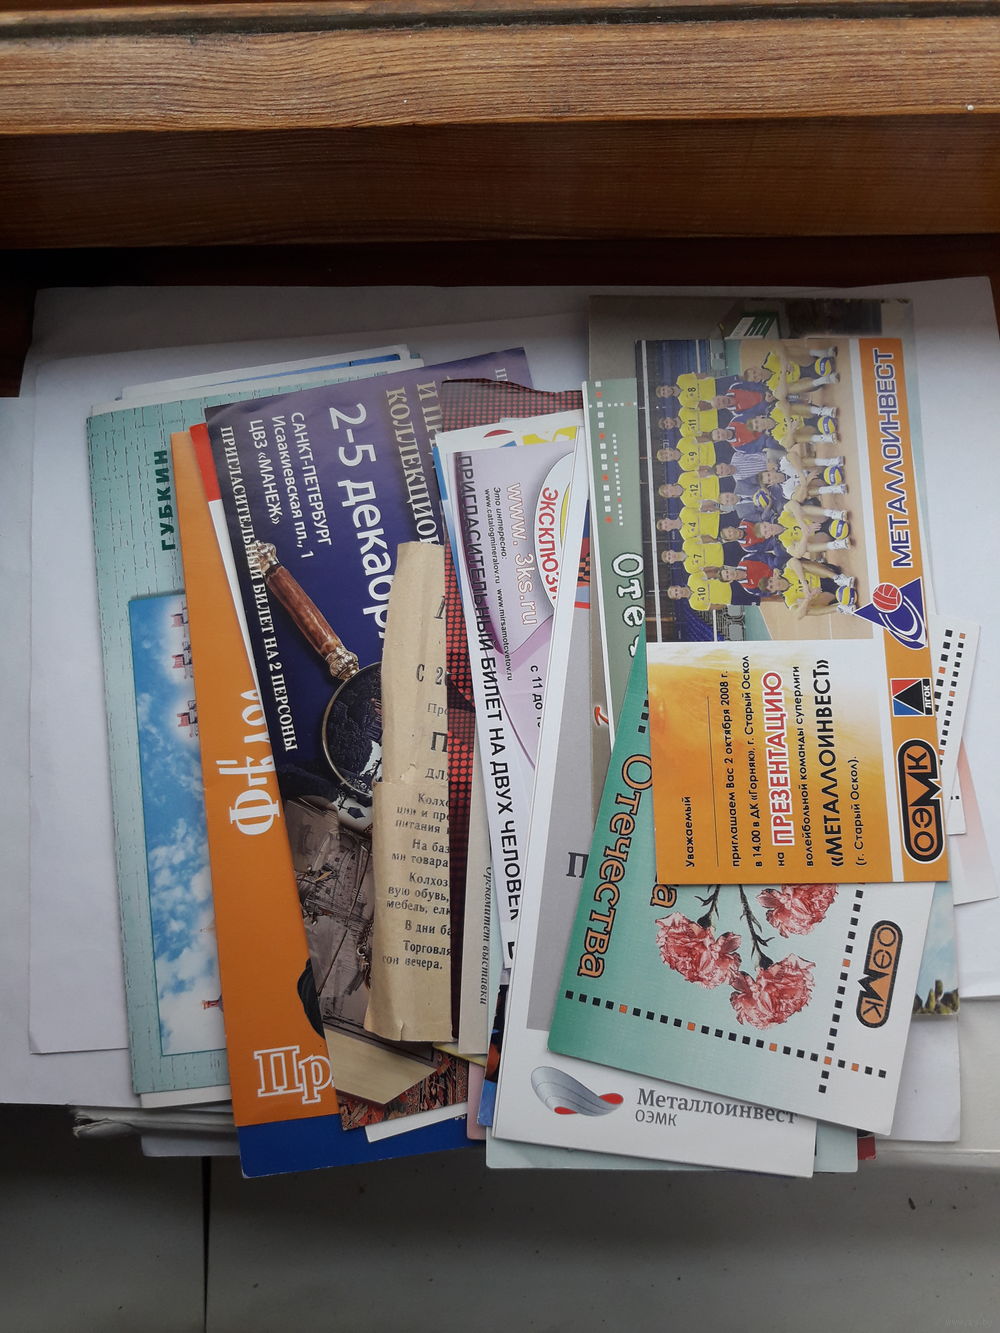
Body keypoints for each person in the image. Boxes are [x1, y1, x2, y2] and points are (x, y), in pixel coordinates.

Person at [762, 557, 857, 617]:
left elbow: (793, 561)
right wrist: (807, 599)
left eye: (771, 581)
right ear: (773, 591)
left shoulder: (786, 571)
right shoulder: (787, 598)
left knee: (801, 564)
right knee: (804, 610)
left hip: (825, 575)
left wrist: (804, 583)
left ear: (772, 577)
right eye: (771, 587)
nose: (774, 584)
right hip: (823, 594)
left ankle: (838, 578)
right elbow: (798, 615)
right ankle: (841, 608)